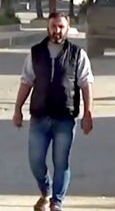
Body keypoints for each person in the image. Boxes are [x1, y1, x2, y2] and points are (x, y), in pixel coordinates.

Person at [13, 12, 94, 211]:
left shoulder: (78, 54)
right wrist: (17, 109)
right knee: (35, 160)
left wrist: (88, 113)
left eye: (61, 27)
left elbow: (86, 84)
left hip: (65, 118)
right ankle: (46, 191)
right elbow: (26, 82)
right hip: (39, 117)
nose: (57, 31)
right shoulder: (35, 53)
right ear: (48, 28)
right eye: (53, 26)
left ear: (67, 29)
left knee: (61, 161)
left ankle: (56, 201)